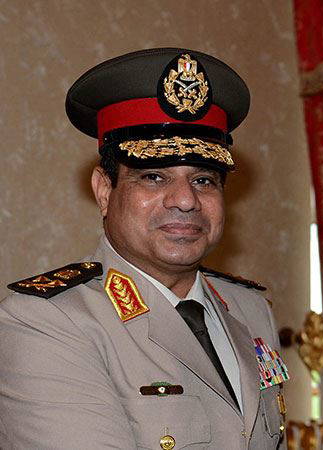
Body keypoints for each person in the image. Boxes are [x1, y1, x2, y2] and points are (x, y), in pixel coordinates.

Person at [0, 48, 289, 449]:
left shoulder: (250, 308)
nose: (185, 200)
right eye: (153, 177)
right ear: (104, 191)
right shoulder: (46, 322)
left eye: (204, 180)